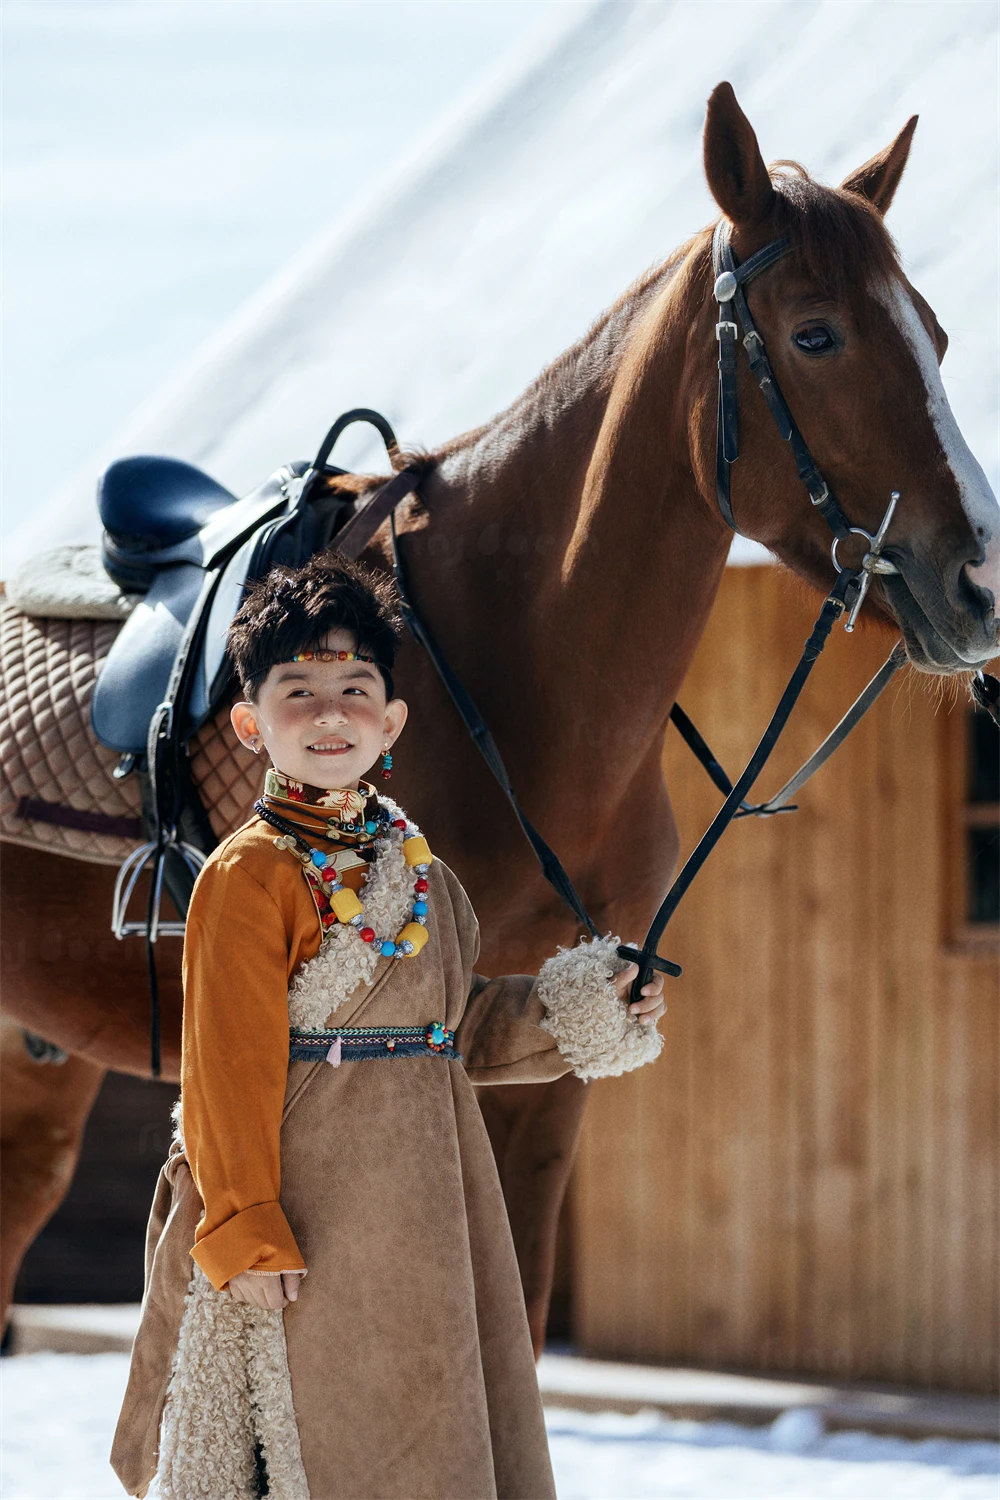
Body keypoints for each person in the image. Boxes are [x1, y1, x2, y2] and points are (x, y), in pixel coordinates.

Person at [111, 553, 666, 1500]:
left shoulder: (419, 871)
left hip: (439, 1223)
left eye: (354, 689)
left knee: (440, 1447)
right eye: (299, 691)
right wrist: (243, 1227)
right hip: (319, 1227)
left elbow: (456, 1029)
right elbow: (221, 1071)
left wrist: (586, 1007)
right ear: (251, 723)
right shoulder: (249, 876)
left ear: (391, 720)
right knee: (335, 1454)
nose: (330, 714)